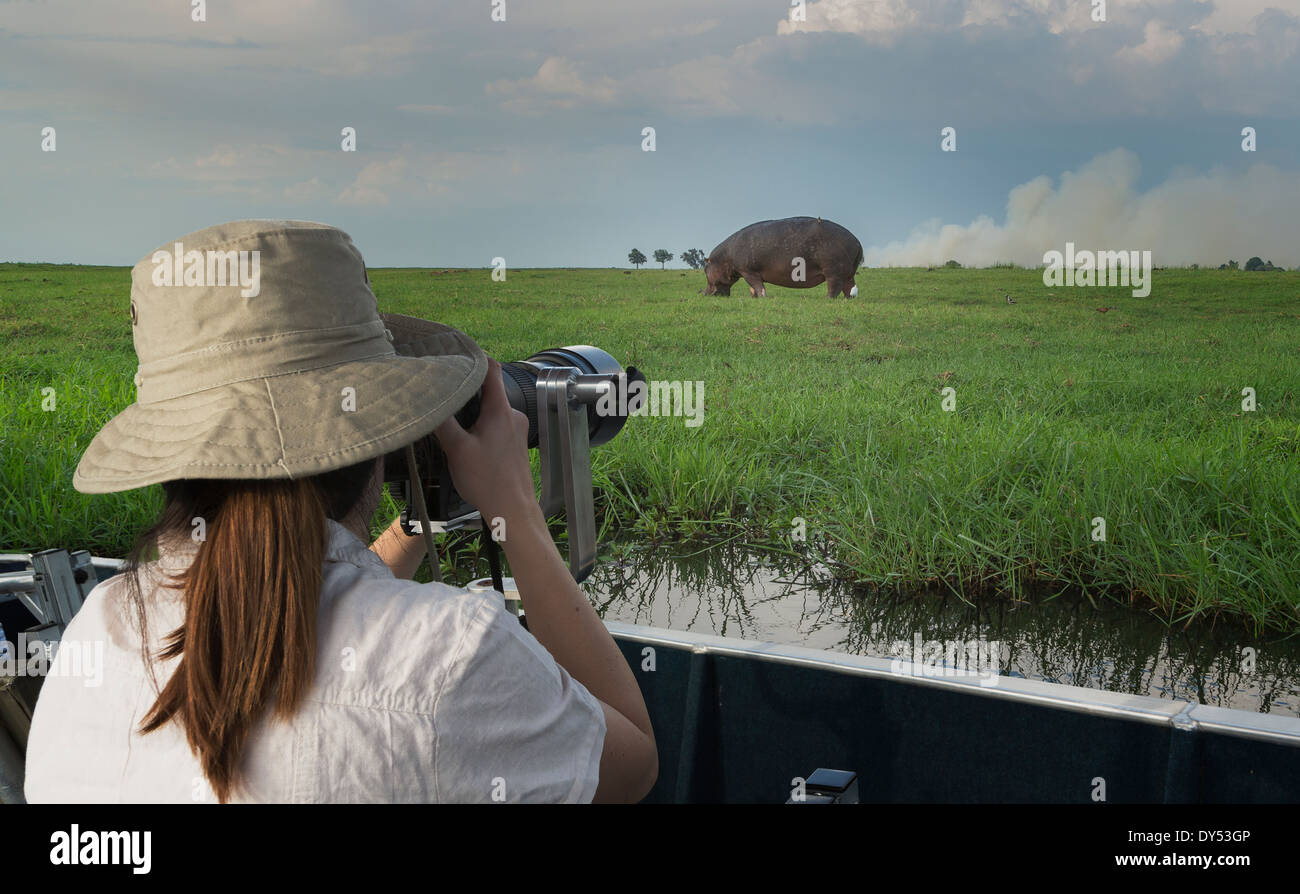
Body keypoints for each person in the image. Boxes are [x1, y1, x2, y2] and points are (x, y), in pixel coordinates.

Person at [24, 220, 657, 803]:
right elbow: (631, 767)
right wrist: (515, 513)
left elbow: (288, 578)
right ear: (383, 430)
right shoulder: (452, 655)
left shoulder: (100, 627)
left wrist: (420, 521)